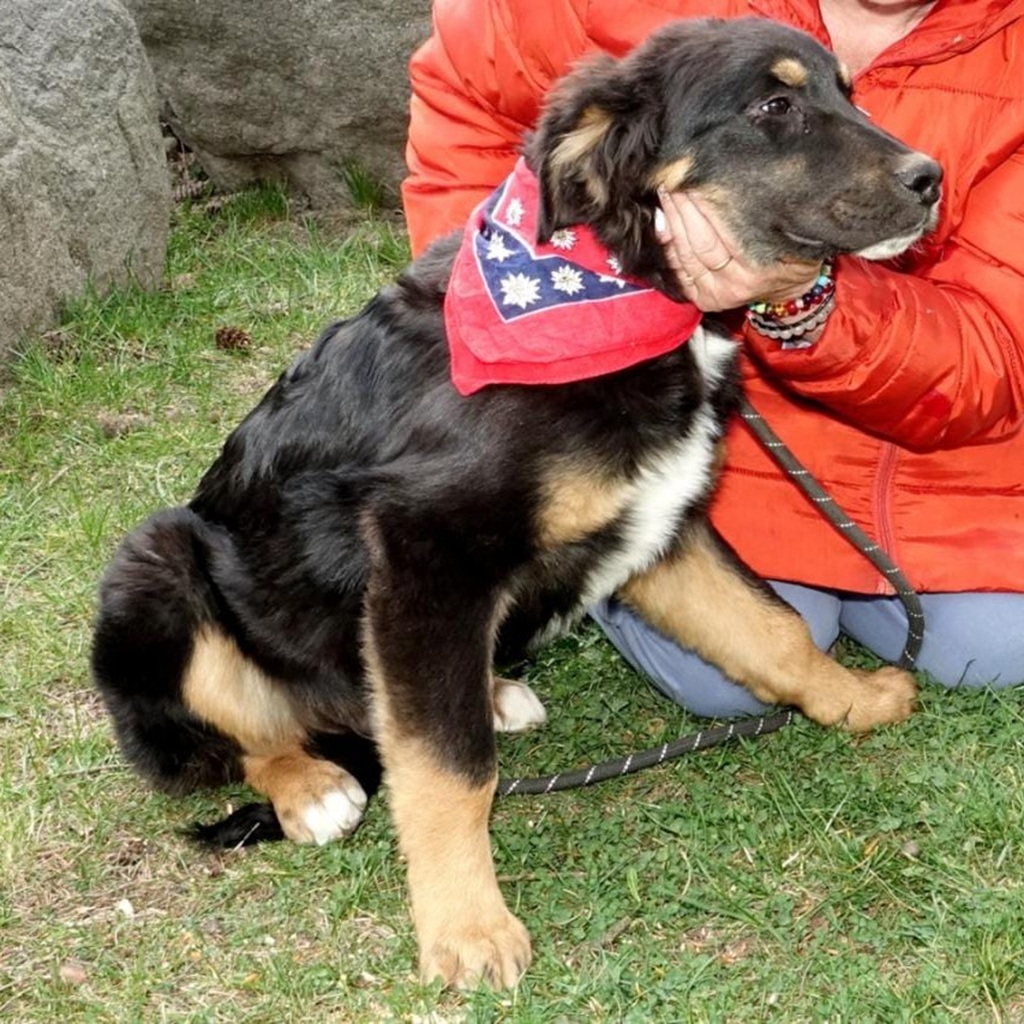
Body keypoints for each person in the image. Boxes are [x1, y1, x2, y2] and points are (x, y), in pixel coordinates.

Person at [401, 0, 1024, 717]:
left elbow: (997, 351)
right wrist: (525, 291)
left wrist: (804, 296)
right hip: (685, 423)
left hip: (930, 440)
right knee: (724, 683)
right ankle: (595, 522)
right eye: (779, 105)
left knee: (998, 645)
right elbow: (471, 85)